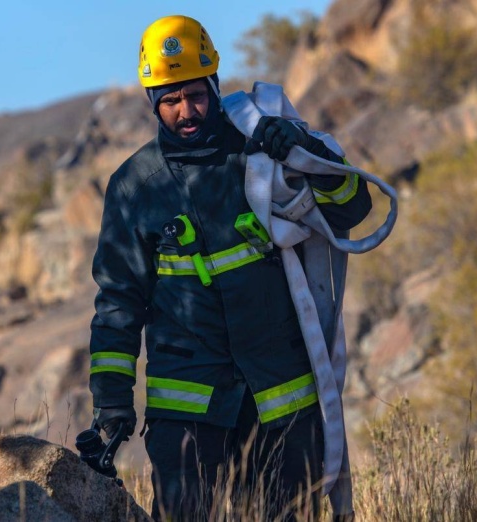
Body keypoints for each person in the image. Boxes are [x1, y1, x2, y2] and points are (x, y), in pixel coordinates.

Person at [88, 15, 373, 521]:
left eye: (196, 94)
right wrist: (111, 403)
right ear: (153, 103)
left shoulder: (262, 154)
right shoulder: (134, 186)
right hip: (188, 409)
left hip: (281, 398)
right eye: (170, 100)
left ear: (215, 85)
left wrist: (306, 155)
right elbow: (118, 300)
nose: (186, 110)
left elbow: (353, 209)